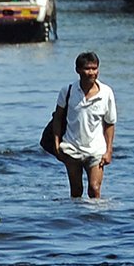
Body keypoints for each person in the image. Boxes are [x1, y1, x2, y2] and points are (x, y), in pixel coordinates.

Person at [49, 51, 117, 199]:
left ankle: (95, 220)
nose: (91, 72)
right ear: (78, 70)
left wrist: (109, 151)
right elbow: (58, 118)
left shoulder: (106, 93)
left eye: (94, 68)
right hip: (71, 148)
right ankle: (75, 221)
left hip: (96, 150)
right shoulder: (67, 91)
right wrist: (56, 145)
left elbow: (110, 123)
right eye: (87, 69)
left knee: (94, 189)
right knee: (76, 191)